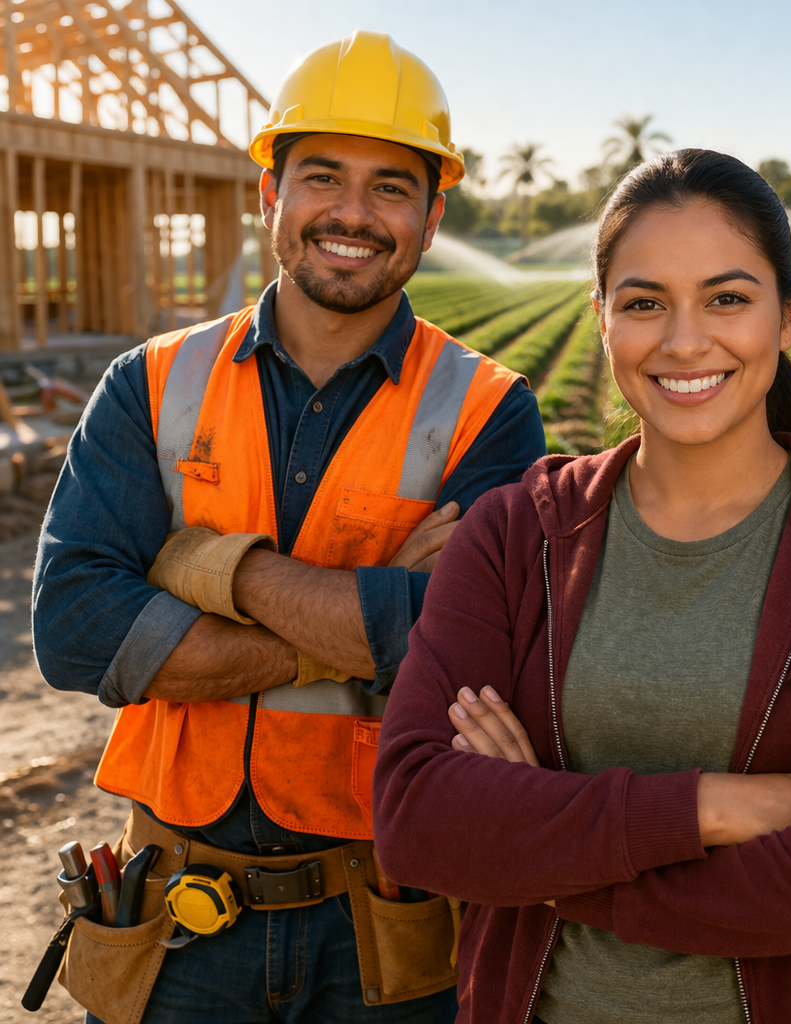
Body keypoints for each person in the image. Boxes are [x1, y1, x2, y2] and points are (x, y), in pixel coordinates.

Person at [372, 149, 791, 1024]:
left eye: (727, 299)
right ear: (602, 318)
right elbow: (420, 820)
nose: (684, 340)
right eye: (644, 303)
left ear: (788, 314)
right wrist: (709, 807)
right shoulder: (515, 535)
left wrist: (547, 859)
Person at [31, 31, 546, 1023]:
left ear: (433, 216)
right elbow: (77, 629)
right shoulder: (149, 382)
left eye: (392, 187)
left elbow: (484, 644)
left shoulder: (489, 407)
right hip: (175, 928)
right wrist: (373, 618)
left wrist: (205, 567)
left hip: (385, 930)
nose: (353, 214)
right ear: (270, 193)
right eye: (322, 177)